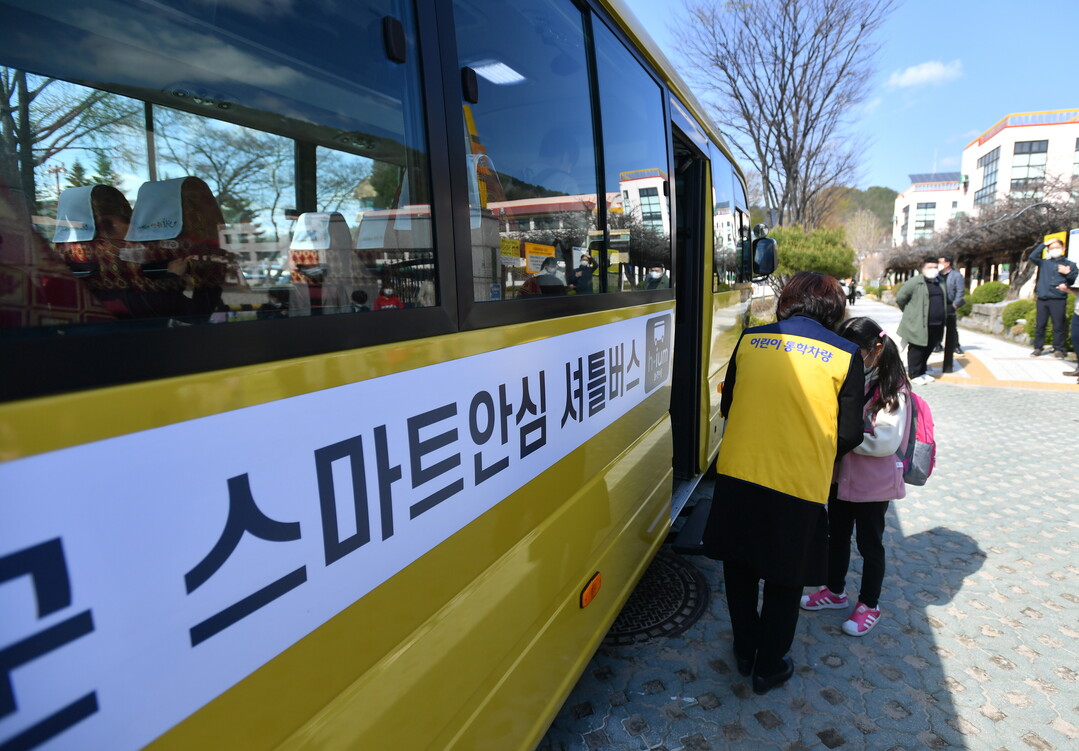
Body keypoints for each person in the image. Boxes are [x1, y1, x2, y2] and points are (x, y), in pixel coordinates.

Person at [701, 271, 865, 695]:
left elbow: (732, 402)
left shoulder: (751, 341)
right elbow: (849, 433)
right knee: (784, 580)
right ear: (834, 308)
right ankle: (768, 666)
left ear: (787, 301)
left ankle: (744, 649)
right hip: (797, 483)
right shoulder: (846, 354)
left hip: (739, 472)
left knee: (738, 570)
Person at [801, 316, 910, 638]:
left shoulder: (894, 390)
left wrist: (838, 436)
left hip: (873, 486)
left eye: (856, 350)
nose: (850, 356)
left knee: (870, 544)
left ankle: (869, 605)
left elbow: (886, 441)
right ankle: (834, 591)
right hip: (841, 480)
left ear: (876, 349)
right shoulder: (854, 378)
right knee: (836, 538)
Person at [896, 257, 950, 384]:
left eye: (935, 267)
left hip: (936, 323)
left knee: (929, 347)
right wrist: (910, 312)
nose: (933, 270)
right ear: (923, 269)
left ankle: (922, 371)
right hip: (919, 323)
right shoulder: (915, 282)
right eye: (929, 267)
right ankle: (914, 374)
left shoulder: (940, 281)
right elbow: (900, 298)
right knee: (917, 348)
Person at [1027, 238, 1077, 359]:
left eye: (1057, 248)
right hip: (1043, 298)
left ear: (1063, 249)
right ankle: (1038, 348)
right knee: (1040, 325)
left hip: (1058, 299)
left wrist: (1067, 273)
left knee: (1059, 325)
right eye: (1051, 248)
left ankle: (1059, 349)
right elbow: (1032, 256)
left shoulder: (1070, 264)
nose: (1054, 250)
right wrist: (1044, 244)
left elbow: (1074, 280)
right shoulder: (1044, 263)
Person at [935, 254, 965, 367]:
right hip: (937, 304)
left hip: (950, 304)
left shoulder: (956, 276)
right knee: (937, 326)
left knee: (951, 326)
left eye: (940, 262)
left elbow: (960, 291)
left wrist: (955, 304)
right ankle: (937, 344)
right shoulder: (936, 275)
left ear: (947, 263)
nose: (938, 265)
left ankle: (955, 345)